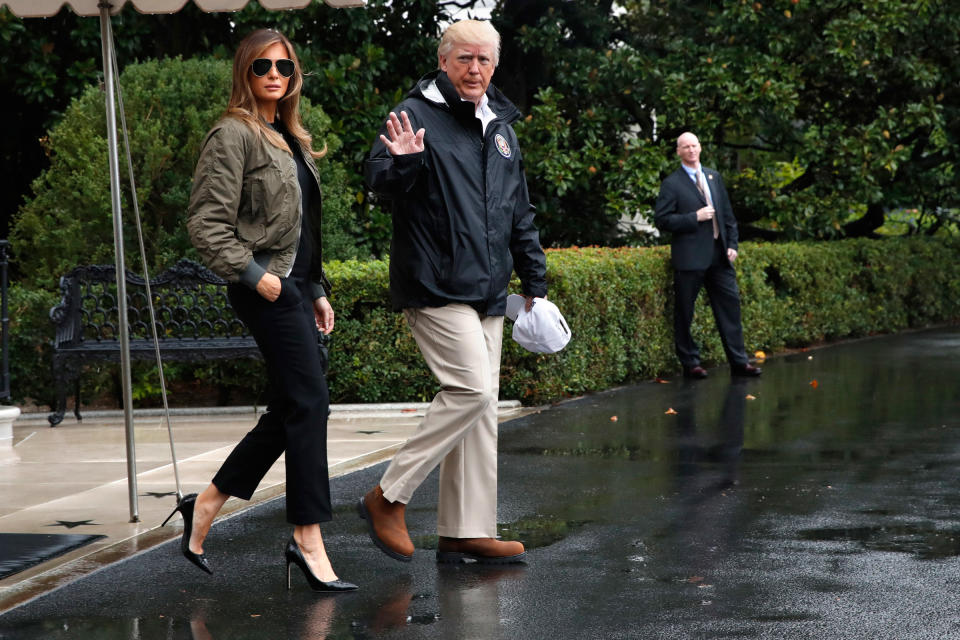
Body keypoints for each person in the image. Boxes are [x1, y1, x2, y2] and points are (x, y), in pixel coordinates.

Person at [167, 28, 356, 593]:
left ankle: (204, 505)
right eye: (262, 66)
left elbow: (304, 230)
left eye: (285, 66)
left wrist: (316, 288)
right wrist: (260, 279)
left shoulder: (289, 137)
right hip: (264, 289)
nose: (275, 74)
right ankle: (306, 536)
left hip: (296, 288)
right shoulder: (232, 134)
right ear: (244, 73)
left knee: (292, 407)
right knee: (310, 402)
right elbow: (206, 224)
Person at [359, 19, 547, 565]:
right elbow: (377, 180)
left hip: (489, 290)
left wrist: (533, 279)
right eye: (464, 59)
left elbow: (519, 212)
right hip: (435, 284)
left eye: (485, 60)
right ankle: (386, 497)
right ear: (443, 61)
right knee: (471, 393)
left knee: (481, 412)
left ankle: (465, 530)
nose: (475, 70)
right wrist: (403, 164)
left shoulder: (502, 128)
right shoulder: (415, 113)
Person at [653, 132, 761, 379]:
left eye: (694, 145)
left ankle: (739, 362)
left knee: (730, 309)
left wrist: (732, 244)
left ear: (700, 148)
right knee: (685, 313)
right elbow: (662, 220)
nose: (691, 150)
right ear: (678, 152)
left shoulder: (714, 177)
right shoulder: (672, 184)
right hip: (690, 259)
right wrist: (694, 218)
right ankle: (691, 364)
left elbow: (727, 215)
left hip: (719, 257)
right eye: (685, 147)